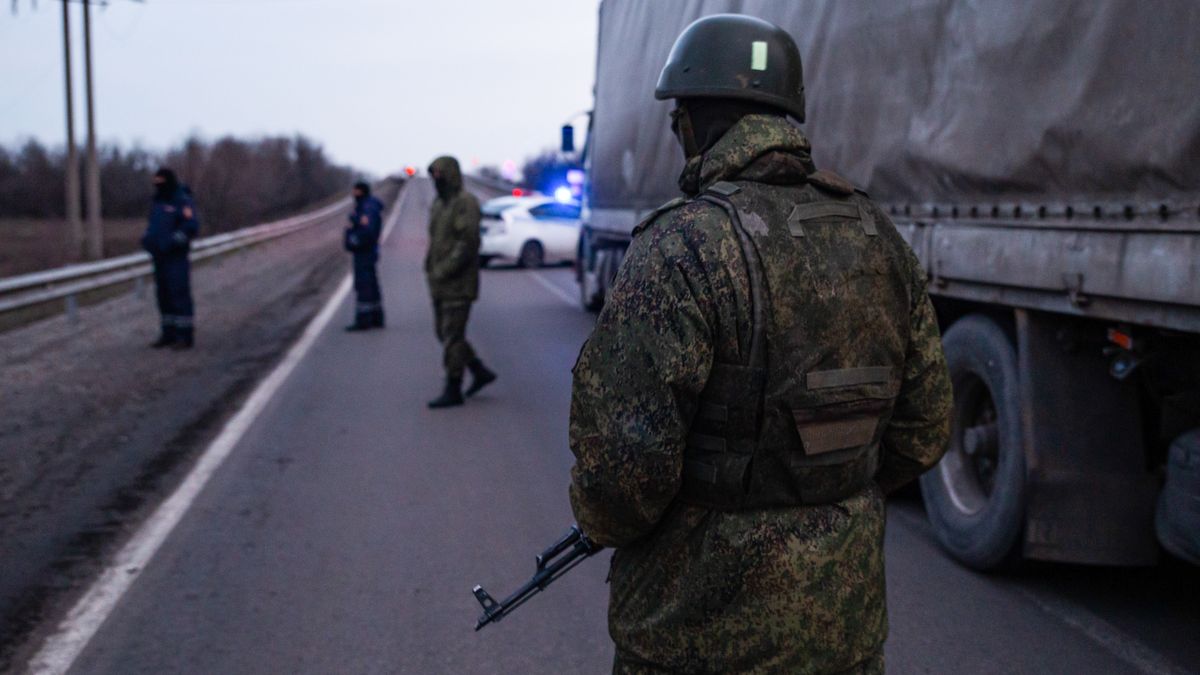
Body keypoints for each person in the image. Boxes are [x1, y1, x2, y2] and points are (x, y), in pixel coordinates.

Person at [567, 14, 953, 674]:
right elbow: (924, 429)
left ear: (692, 120)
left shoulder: (683, 244)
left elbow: (623, 478)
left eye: (678, 117)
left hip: (697, 637)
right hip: (843, 632)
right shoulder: (877, 235)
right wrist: (820, 491)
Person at [424, 155, 496, 408]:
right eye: (433, 175)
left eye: (440, 174)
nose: (436, 179)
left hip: (458, 282)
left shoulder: (465, 203)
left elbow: (467, 243)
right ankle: (478, 370)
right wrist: (430, 267)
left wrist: (444, 269)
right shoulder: (439, 204)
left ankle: (453, 386)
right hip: (438, 282)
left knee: (453, 336)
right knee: (443, 333)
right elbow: (436, 241)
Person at [140, 168, 199, 349]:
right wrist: (147, 240)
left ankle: (184, 335)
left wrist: (175, 242)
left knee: (178, 294)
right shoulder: (158, 202)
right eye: (156, 181)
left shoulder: (182, 201)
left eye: (161, 181)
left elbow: (191, 226)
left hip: (176, 257)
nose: (158, 185)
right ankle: (168, 333)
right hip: (159, 257)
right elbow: (153, 226)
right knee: (163, 295)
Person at [344, 180, 386, 331]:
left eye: (355, 191)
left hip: (364, 251)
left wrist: (353, 239)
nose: (353, 194)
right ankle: (376, 317)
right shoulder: (366, 206)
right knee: (371, 283)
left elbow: (367, 231)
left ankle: (364, 320)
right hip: (367, 251)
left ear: (360, 191)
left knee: (364, 284)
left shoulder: (367, 208)